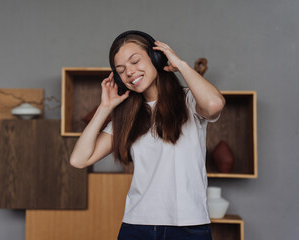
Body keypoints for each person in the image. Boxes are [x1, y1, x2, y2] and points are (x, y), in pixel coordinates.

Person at [70, 30, 226, 240]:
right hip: (137, 225)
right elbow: (79, 159)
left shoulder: (189, 101)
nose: (130, 72)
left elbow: (214, 104)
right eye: (121, 70)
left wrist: (180, 65)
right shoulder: (127, 116)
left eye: (135, 61)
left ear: (155, 58)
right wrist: (105, 107)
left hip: (188, 226)